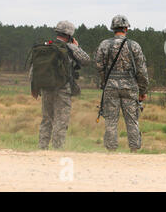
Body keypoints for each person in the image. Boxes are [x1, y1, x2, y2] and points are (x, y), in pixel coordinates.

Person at [30, 21, 90, 149]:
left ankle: (42, 149)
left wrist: (34, 87)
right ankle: (57, 150)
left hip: (45, 88)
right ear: (69, 34)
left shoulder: (46, 46)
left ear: (57, 32)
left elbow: (34, 68)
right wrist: (76, 47)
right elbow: (86, 60)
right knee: (60, 121)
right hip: (63, 89)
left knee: (46, 120)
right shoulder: (70, 47)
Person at [94, 15, 149, 152]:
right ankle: (134, 150)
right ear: (126, 28)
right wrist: (143, 90)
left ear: (113, 28)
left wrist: (104, 82)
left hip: (111, 86)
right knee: (132, 120)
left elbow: (99, 66)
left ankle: (111, 151)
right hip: (130, 87)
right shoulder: (134, 45)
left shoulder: (104, 45)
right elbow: (142, 70)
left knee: (111, 120)